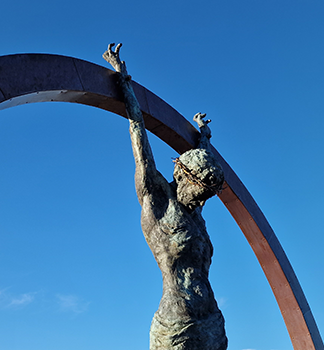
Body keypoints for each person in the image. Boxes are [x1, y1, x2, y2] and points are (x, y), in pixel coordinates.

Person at [103, 43, 228, 350]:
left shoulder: (194, 210)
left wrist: (204, 137)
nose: (201, 203)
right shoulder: (156, 202)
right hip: (177, 326)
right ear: (181, 176)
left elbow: (202, 160)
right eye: (200, 194)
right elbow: (139, 136)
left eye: (207, 198)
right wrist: (123, 79)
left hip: (211, 321)